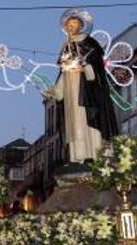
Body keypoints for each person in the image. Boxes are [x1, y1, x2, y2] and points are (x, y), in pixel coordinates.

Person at [44, 9, 119, 163]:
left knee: (86, 119)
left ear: (81, 26)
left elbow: (97, 68)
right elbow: (63, 73)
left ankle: (94, 154)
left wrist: (84, 68)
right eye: (68, 25)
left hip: (87, 90)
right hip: (70, 91)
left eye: (73, 24)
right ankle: (78, 157)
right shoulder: (66, 46)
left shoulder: (90, 43)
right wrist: (56, 90)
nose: (70, 27)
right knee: (74, 123)